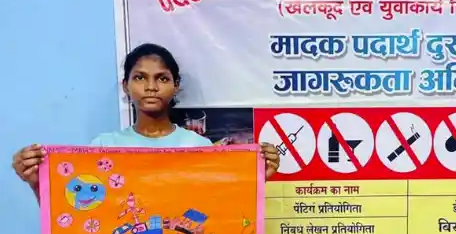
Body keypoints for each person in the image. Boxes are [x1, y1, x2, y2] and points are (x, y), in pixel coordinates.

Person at [12, 43, 281, 200]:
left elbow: (223, 210)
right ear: (126, 85)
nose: (151, 87)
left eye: (162, 78)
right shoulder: (103, 148)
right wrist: (37, 183)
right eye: (140, 77)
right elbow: (77, 213)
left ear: (175, 86)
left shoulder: (199, 147)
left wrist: (259, 179)